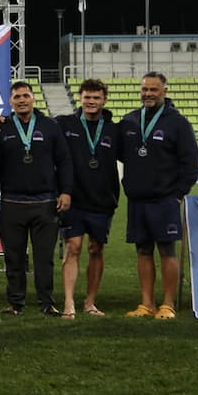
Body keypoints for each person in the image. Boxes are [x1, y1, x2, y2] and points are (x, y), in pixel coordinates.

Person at [119, 72, 198, 320]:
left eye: (154, 90)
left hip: (165, 200)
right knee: (143, 250)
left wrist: (177, 194)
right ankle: (146, 304)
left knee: (167, 250)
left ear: (164, 91)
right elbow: (123, 154)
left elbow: (191, 163)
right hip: (137, 200)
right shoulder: (131, 120)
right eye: (145, 90)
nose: (148, 94)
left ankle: (168, 304)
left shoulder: (178, 123)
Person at [0, 80, 72, 316]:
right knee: (13, 258)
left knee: (44, 259)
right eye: (16, 97)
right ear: (10, 101)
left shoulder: (49, 126)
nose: (21, 100)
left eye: (25, 95)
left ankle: (46, 303)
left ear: (33, 98)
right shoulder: (1, 128)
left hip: (45, 203)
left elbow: (64, 160)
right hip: (11, 203)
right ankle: (16, 303)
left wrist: (66, 191)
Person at [55, 79, 122, 319]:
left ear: (104, 100)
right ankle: (69, 303)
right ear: (80, 99)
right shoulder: (65, 124)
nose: (91, 102)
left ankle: (90, 302)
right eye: (87, 97)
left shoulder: (115, 129)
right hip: (73, 199)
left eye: (96, 98)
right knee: (73, 247)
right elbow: (36, 121)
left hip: (102, 200)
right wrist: (5, 120)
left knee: (96, 249)